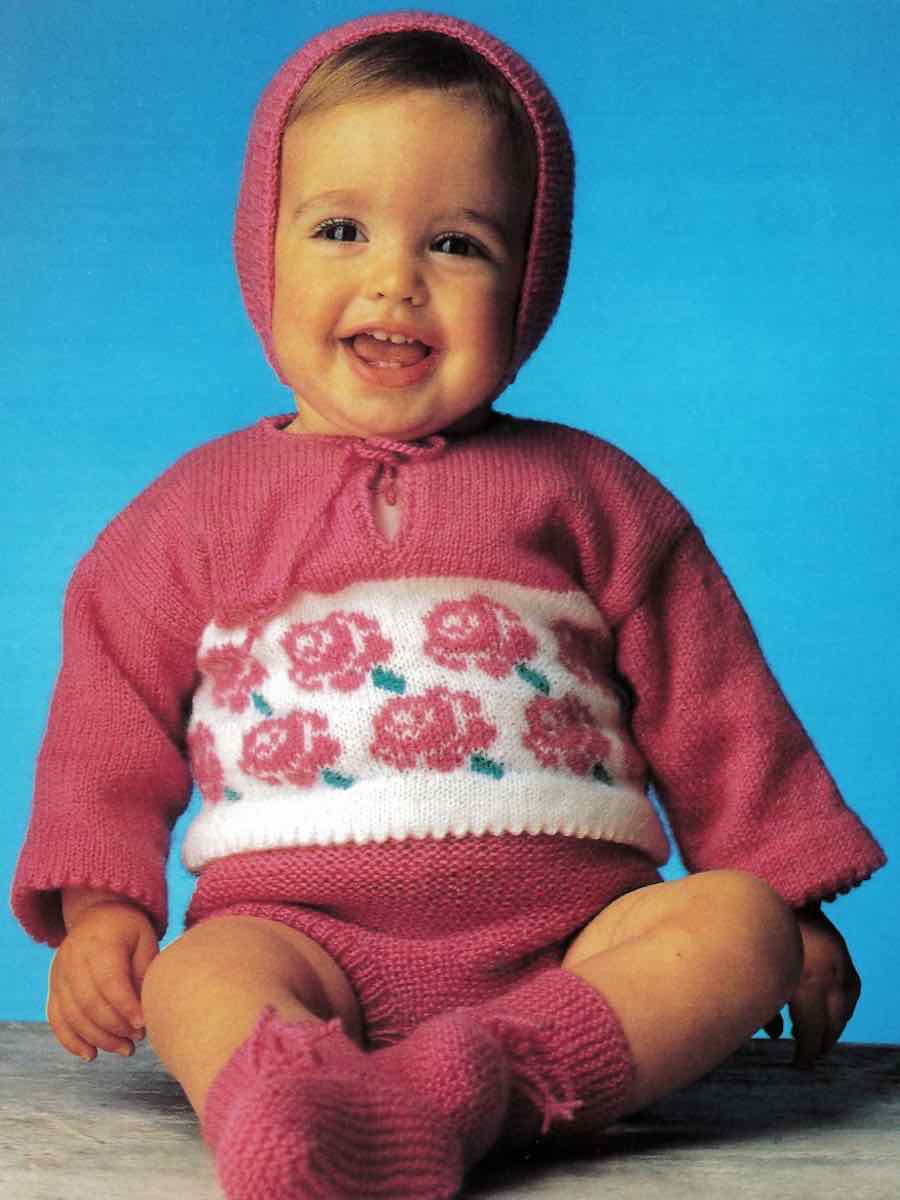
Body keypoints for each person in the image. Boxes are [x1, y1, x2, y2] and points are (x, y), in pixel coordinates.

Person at [11, 11, 886, 1199]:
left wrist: (792, 894)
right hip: (296, 931)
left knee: (737, 928)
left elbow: (717, 704)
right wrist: (103, 907)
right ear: (261, 250)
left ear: (531, 279)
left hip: (574, 948)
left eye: (458, 244)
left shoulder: (593, 494)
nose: (396, 279)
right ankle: (291, 1105)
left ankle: (479, 1085)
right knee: (195, 979)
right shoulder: (193, 512)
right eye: (339, 229)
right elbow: (105, 717)